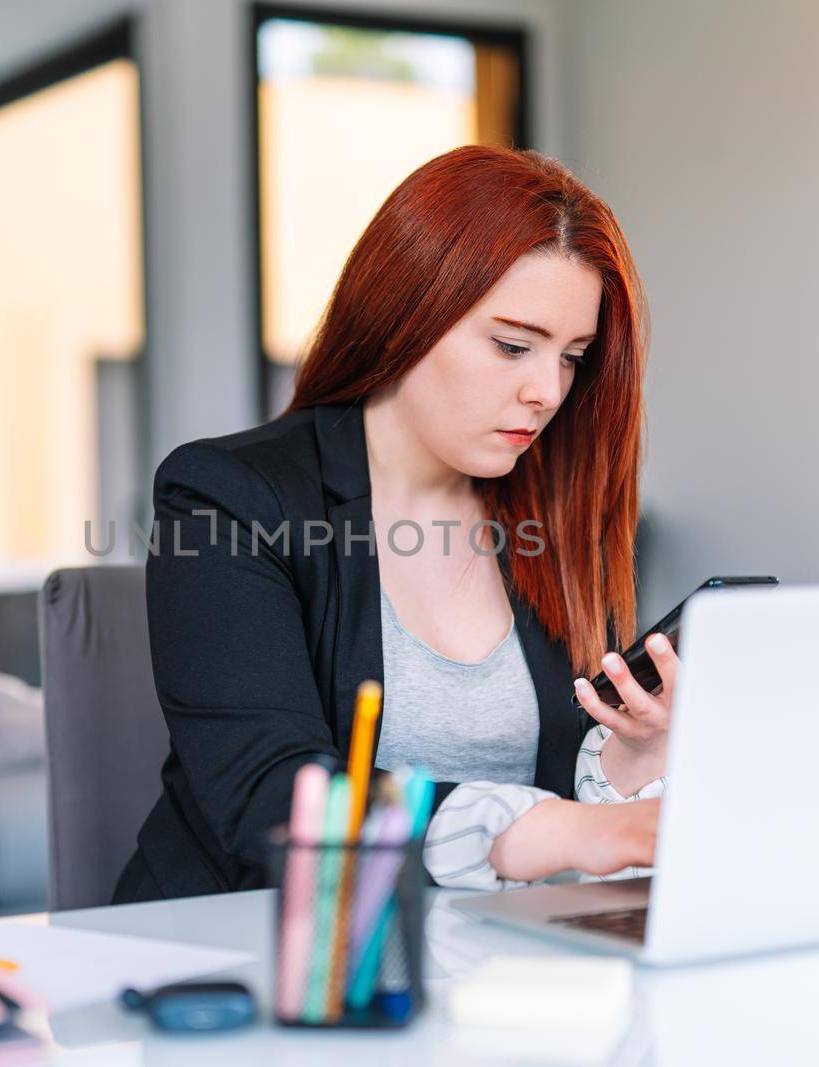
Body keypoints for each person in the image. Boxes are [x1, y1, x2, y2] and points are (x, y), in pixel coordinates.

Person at [113, 144, 675, 904]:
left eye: (572, 357)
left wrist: (631, 762)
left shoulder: (556, 514)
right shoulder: (229, 496)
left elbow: (561, 783)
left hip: (483, 963)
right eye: (512, 346)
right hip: (255, 957)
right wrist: (567, 832)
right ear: (404, 317)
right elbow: (267, 796)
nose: (546, 391)